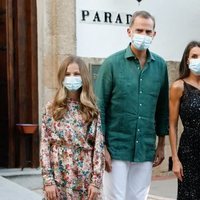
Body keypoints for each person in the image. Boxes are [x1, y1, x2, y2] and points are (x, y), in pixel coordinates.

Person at [95, 10, 169, 200]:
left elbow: (162, 108)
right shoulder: (111, 64)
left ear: (154, 34)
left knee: (138, 198)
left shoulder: (160, 66)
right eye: (139, 30)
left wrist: (161, 145)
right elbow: (99, 108)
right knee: (115, 198)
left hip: (145, 148)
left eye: (148, 31)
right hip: (116, 147)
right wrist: (101, 148)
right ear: (129, 31)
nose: (143, 35)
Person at [40, 55, 105, 200]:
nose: (72, 77)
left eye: (76, 74)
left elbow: (98, 148)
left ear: (84, 78)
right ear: (62, 77)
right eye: (67, 74)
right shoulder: (52, 109)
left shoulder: (92, 110)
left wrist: (95, 182)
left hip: (84, 177)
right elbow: (45, 146)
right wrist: (48, 181)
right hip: (58, 175)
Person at [169, 41, 200, 199]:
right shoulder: (178, 86)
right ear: (187, 60)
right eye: (194, 56)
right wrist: (175, 159)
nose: (198, 59)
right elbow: (172, 125)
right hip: (189, 151)